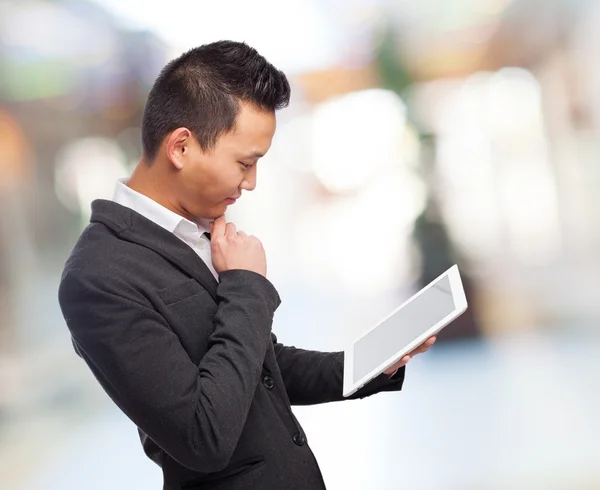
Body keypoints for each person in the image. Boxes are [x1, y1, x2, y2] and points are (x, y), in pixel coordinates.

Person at [58, 41, 436, 490]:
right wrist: (244, 285)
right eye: (245, 163)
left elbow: (256, 366)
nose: (251, 183)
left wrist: (370, 363)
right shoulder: (97, 278)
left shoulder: (198, 231)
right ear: (181, 147)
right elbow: (203, 435)